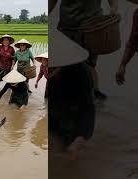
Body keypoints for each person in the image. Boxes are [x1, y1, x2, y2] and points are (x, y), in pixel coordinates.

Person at [50, 0, 119, 101]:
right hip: (67, 28)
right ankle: (69, 94)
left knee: (89, 64)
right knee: (65, 64)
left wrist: (113, 7)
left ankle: (94, 91)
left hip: (91, 28)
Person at [50, 28, 95, 160]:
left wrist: (81, 137)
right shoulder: (44, 70)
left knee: (71, 147)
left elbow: (87, 108)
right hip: (54, 106)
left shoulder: (80, 73)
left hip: (72, 107)